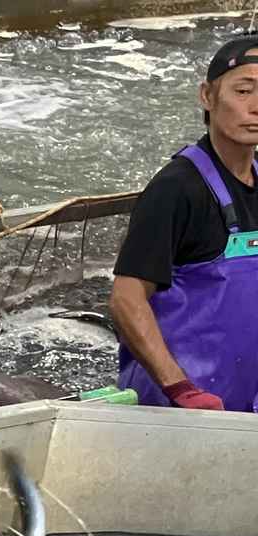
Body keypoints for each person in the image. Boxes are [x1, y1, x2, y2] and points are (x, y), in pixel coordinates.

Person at [111, 34, 258, 412]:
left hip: (242, 402)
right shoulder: (175, 189)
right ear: (207, 96)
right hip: (176, 410)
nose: (255, 106)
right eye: (243, 91)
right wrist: (181, 389)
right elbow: (127, 300)